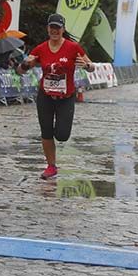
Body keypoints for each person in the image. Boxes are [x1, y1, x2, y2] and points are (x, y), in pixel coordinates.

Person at [18, 13, 95, 180]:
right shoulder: (40, 49)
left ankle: (56, 134)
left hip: (65, 98)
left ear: (63, 29)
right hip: (45, 96)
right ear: (48, 29)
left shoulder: (73, 48)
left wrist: (87, 65)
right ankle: (51, 166)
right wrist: (25, 64)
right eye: (51, 27)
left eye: (57, 28)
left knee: (62, 134)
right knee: (46, 132)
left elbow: (91, 66)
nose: (54, 31)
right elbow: (20, 70)